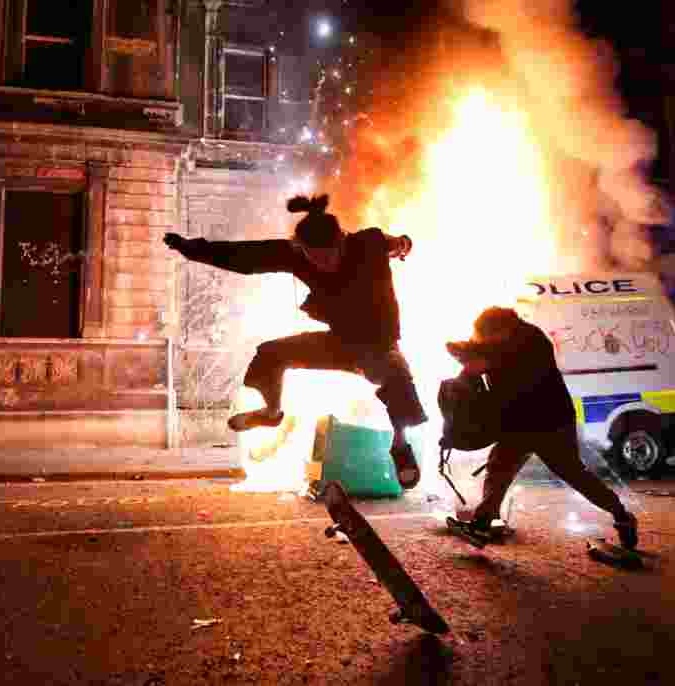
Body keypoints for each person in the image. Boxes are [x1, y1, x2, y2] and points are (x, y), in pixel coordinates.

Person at [162, 194, 428, 489]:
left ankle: (400, 445)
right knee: (271, 354)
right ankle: (270, 413)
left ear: (342, 240)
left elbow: (397, 244)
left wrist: (404, 245)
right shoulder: (294, 254)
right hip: (339, 343)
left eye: (329, 256)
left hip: (379, 345)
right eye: (314, 258)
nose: (323, 264)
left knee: (396, 376)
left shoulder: (369, 242)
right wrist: (191, 248)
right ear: (301, 249)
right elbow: (244, 256)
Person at [444, 307, 638, 548]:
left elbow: (497, 363)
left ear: (501, 330)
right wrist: (461, 350)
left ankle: (621, 515)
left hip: (550, 422)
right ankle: (482, 524)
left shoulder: (532, 342)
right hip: (521, 422)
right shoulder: (498, 340)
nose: (483, 340)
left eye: (486, 336)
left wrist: (474, 360)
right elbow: (478, 350)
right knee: (499, 468)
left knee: (575, 475)